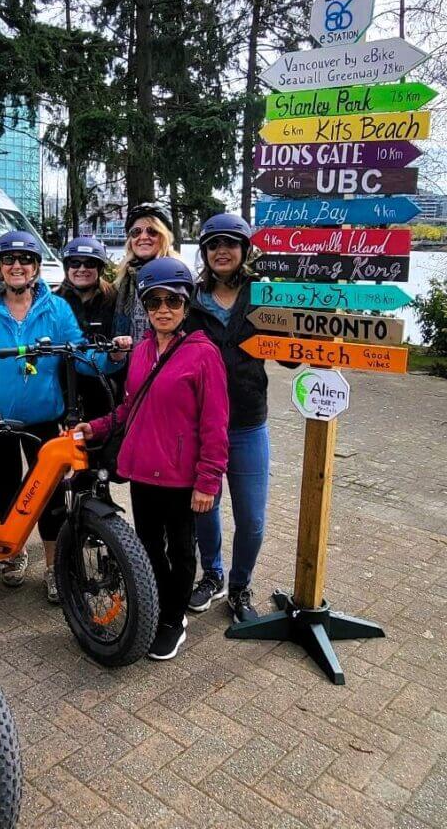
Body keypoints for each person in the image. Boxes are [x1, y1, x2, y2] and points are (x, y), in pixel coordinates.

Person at [0, 230, 127, 602]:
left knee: (48, 495)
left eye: (25, 259)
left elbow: (78, 353)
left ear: (35, 267)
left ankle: (52, 567)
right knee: (9, 486)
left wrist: (110, 358)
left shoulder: (56, 309)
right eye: (9, 259)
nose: (17, 266)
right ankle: (12, 553)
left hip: (45, 418)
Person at [77, 258, 229, 661]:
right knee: (147, 545)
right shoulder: (142, 352)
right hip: (144, 471)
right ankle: (158, 602)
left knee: (181, 551)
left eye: (172, 302)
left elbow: (215, 425)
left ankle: (174, 619)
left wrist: (208, 481)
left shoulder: (203, 355)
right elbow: (130, 409)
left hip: (181, 477)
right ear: (144, 307)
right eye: (154, 302)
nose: (163, 309)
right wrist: (97, 427)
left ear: (185, 305)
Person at [184, 213, 282, 622]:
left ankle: (240, 586)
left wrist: (314, 345)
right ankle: (213, 575)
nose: (221, 250)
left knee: (253, 519)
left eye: (230, 243)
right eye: (213, 244)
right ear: (204, 253)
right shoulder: (189, 299)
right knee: (204, 508)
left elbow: (291, 358)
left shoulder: (263, 295)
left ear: (244, 250)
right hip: (202, 425)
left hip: (247, 423)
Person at [55, 235, 118, 420]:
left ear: (99, 268)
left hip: (104, 388)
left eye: (89, 263)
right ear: (67, 268)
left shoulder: (115, 300)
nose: (82, 269)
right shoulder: (55, 302)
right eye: (75, 263)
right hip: (64, 385)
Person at [112, 203, 181, 345]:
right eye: (136, 232)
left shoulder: (181, 276)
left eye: (152, 231)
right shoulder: (122, 280)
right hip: (129, 363)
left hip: (169, 361)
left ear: (164, 237)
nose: (143, 237)